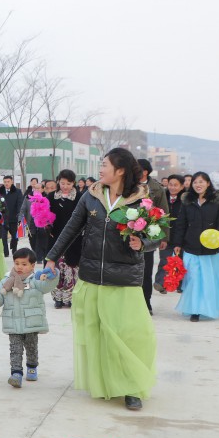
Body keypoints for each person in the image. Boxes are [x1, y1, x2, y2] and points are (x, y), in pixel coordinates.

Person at [45, 148, 158, 411]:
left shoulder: (141, 200)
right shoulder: (92, 195)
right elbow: (71, 228)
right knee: (98, 335)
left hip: (125, 279)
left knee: (130, 336)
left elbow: (157, 235)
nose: (100, 168)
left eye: (104, 164)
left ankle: (132, 387)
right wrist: (52, 257)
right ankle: (107, 383)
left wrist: (142, 242)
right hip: (92, 276)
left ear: (120, 170)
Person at [0, 249, 57, 388]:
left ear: (32, 265)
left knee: (31, 347)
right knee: (15, 349)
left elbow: (48, 285)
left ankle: (32, 366)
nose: (19, 267)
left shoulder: (36, 280)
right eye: (17, 263)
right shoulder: (7, 280)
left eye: (24, 264)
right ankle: (16, 373)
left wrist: (53, 276)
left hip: (31, 322)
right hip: (13, 322)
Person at [170, 172, 219, 322]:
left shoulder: (217, 201)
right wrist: (177, 244)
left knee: (210, 280)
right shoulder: (188, 202)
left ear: (208, 183)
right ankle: (195, 310)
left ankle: (208, 308)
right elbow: (180, 224)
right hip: (191, 247)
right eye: (195, 182)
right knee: (194, 279)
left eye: (201, 182)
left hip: (212, 248)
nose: (198, 185)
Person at [137, 159, 169, 315]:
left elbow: (164, 213)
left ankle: (146, 302)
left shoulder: (157, 188)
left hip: (148, 235)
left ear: (144, 172)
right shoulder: (126, 185)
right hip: (128, 232)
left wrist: (164, 238)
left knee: (146, 270)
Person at [46, 170, 82, 309]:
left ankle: (71, 297)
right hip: (55, 238)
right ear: (58, 182)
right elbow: (44, 215)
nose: (65, 186)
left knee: (72, 270)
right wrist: (46, 227)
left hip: (74, 239)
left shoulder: (79, 197)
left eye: (68, 183)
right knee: (57, 269)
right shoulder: (51, 197)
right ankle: (58, 298)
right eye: (62, 183)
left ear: (73, 183)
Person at [154, 174, 186, 293]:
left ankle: (179, 285)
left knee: (180, 262)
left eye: (175, 185)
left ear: (182, 186)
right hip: (165, 236)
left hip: (181, 236)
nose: (172, 187)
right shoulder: (163, 197)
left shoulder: (186, 200)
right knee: (164, 260)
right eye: (170, 184)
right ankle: (160, 283)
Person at [0, 175, 23, 258]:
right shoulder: (0, 192)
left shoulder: (18, 191)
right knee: (3, 237)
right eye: (5, 182)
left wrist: (19, 215)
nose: (6, 183)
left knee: (15, 237)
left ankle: (14, 250)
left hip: (14, 218)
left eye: (8, 182)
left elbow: (20, 204)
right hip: (3, 218)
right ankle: (5, 252)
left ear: (12, 182)